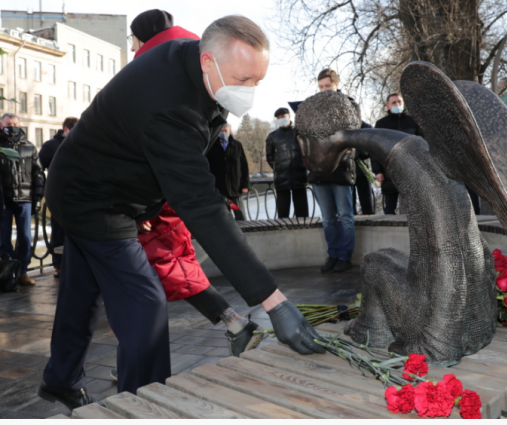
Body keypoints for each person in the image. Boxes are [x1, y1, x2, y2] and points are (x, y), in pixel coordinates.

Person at [39, 15, 323, 410]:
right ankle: (144, 405)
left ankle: (60, 379)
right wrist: (273, 302)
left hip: (93, 186)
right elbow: (202, 206)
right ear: (208, 61)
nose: (251, 92)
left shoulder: (198, 66)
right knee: (144, 303)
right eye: (244, 80)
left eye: (258, 80)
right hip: (94, 200)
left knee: (81, 292)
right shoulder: (172, 108)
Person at [103, 11, 265, 383]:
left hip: (158, 198)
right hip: (171, 195)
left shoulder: (154, 73)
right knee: (173, 269)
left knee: (144, 279)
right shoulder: (191, 69)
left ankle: (139, 365)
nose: (131, 47)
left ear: (143, 39)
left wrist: (139, 205)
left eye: (132, 40)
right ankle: (232, 322)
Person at [309, 68, 357, 273]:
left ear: (337, 85)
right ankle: (334, 254)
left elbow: (353, 133)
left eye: (328, 86)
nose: (324, 91)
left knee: (345, 216)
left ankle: (345, 257)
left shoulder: (349, 104)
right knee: (328, 218)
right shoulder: (312, 107)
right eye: (320, 87)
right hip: (319, 171)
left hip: (341, 168)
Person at [0, 113, 44, 286]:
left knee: (25, 237)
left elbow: (38, 173)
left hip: (24, 199)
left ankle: (23, 272)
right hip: (3, 201)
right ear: (1, 125)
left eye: (15, 123)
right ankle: (6, 273)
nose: (12, 126)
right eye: (9, 123)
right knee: (3, 239)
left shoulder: (29, 147)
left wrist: (38, 197)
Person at [39, 117, 78, 279]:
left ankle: (74, 264)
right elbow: (41, 166)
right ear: (66, 130)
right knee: (58, 231)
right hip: (59, 195)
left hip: (78, 195)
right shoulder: (51, 146)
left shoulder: (80, 144)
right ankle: (59, 265)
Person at [373, 93, 423, 214]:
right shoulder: (381, 124)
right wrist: (377, 171)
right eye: (394, 103)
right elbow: (374, 149)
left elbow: (423, 145)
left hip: (411, 170)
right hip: (389, 171)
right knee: (389, 208)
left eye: (399, 102)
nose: (397, 104)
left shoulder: (413, 121)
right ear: (388, 106)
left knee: (414, 208)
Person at [265, 107, 309, 218]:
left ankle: (303, 232)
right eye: (278, 118)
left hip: (299, 174)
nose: (281, 119)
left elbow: (307, 151)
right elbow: (269, 156)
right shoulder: (272, 136)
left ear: (289, 116)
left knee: (302, 211)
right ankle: (283, 232)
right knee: (283, 212)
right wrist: (278, 167)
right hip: (281, 177)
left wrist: (302, 165)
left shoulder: (299, 132)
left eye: (283, 117)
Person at [206, 124, 250, 221]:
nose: (223, 132)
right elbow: (207, 167)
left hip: (234, 189)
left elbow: (244, 166)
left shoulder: (237, 145)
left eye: (225, 130)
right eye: (221, 131)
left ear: (230, 131)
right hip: (220, 189)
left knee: (239, 214)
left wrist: (245, 184)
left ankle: (243, 233)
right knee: (223, 217)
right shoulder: (212, 146)